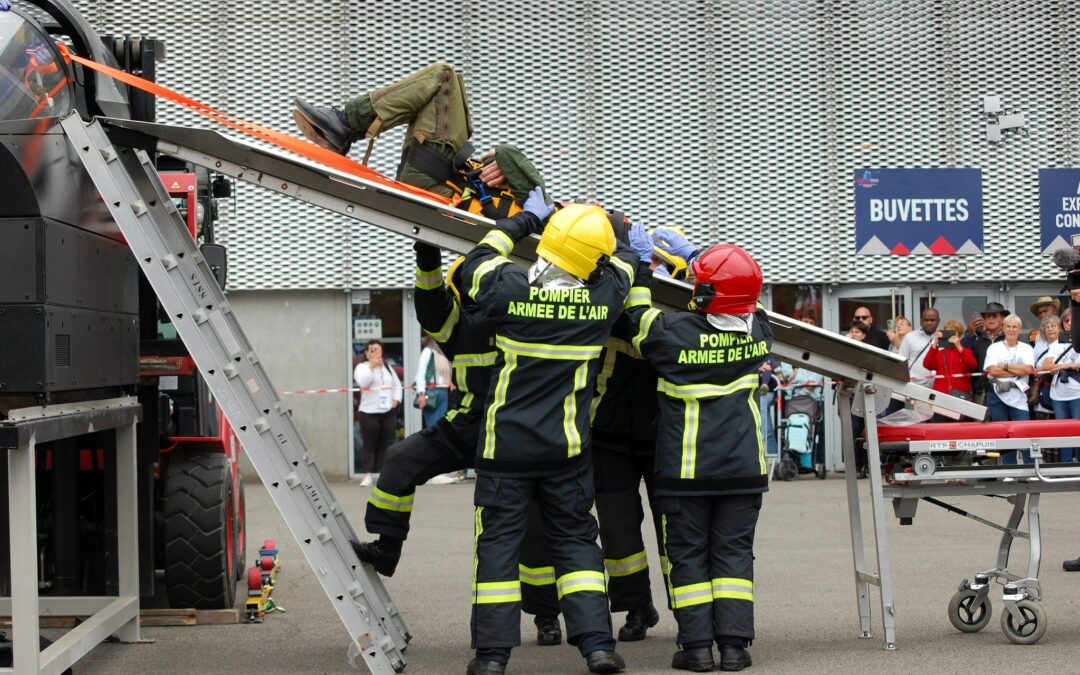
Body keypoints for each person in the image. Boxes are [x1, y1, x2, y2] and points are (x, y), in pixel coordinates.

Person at [461, 200, 639, 674]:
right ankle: (598, 646)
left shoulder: (506, 286)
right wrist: (619, 233)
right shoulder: (604, 299)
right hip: (566, 451)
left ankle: (492, 658)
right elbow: (624, 263)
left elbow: (477, 259)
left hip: (505, 449)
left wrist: (522, 221)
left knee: (498, 547)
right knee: (578, 543)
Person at [621, 242, 772, 673]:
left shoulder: (672, 333)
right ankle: (735, 649)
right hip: (744, 470)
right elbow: (752, 306)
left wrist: (639, 263)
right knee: (733, 557)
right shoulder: (760, 333)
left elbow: (635, 315)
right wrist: (701, 262)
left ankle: (698, 650)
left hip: (686, 472)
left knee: (688, 557)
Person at [293, 63, 544, 213]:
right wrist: (503, 166)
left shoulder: (551, 215)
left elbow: (537, 192)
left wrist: (506, 156)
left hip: (437, 178)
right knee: (449, 85)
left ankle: (346, 123)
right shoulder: (544, 214)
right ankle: (345, 127)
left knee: (443, 77)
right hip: (440, 174)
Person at [590, 222, 666, 643]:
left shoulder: (672, 295)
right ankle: (637, 608)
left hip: (663, 435)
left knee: (674, 530)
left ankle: (688, 611)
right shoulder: (605, 290)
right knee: (619, 532)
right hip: (610, 433)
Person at [984, 314, 1035, 463]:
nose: (1011, 329)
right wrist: (1017, 369)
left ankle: (1030, 468)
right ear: (1003, 328)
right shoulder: (994, 348)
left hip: (1018, 395)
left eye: (1014, 327)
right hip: (996, 395)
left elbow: (1028, 370)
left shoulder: (1026, 348)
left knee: (1024, 432)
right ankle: (1009, 469)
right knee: (1003, 434)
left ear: (1019, 329)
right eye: (1008, 326)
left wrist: (1004, 366)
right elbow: (992, 371)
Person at [354, 340, 403, 487]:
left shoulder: (387, 367)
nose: (376, 354)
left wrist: (396, 400)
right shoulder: (362, 368)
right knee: (369, 444)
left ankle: (384, 474)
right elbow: (364, 383)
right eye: (373, 351)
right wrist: (372, 366)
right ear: (367, 353)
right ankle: (368, 474)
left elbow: (397, 385)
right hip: (368, 412)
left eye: (379, 351)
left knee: (386, 444)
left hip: (387, 412)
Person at [1041, 316, 1080, 462]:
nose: (1069, 323)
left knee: (1078, 430)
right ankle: (1066, 463)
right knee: (1063, 431)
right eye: (1066, 321)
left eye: (1072, 320)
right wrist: (1067, 366)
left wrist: (1058, 367)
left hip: (1077, 393)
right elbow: (1046, 367)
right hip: (1058, 394)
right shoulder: (1056, 344)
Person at [921, 318, 977, 401]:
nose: (950, 336)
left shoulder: (964, 351)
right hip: (940, 394)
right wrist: (934, 345)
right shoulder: (940, 352)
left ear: (959, 335)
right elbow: (927, 364)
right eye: (947, 333)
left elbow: (972, 365)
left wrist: (959, 346)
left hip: (960, 394)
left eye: (953, 333)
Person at [965, 301, 1008, 402]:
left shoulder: (1009, 338)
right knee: (981, 417)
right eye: (988, 316)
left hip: (1006, 388)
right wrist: (970, 333)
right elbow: (968, 360)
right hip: (983, 389)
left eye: (995, 316)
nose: (991, 318)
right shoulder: (978, 339)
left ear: (1002, 318)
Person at [415, 336, 451, 429]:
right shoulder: (428, 351)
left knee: (442, 428)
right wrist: (421, 393)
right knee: (433, 428)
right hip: (431, 392)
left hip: (444, 392)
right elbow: (420, 373)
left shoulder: (443, 353)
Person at [899, 308, 940, 388]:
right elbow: (901, 361)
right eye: (926, 320)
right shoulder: (910, 337)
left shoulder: (943, 339)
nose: (929, 322)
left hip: (938, 387)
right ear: (921, 321)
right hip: (915, 386)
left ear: (938, 321)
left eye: (932, 320)